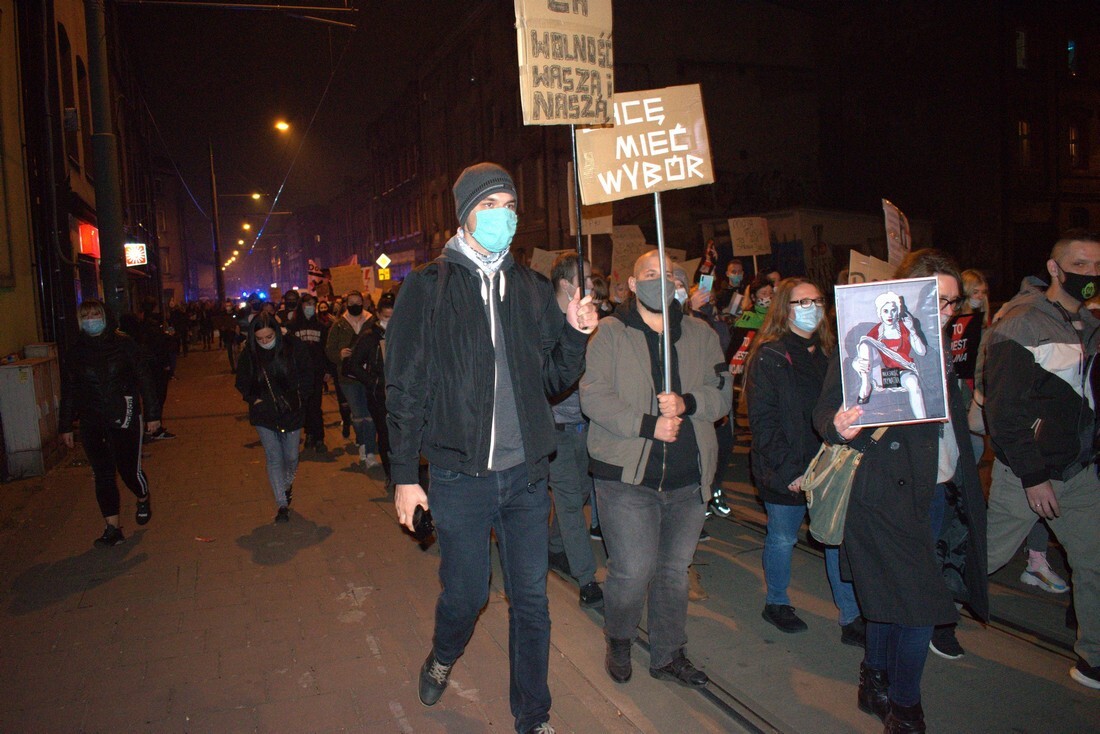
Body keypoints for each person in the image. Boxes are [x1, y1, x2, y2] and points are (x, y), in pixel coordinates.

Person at [387, 162, 595, 734]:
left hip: (527, 477)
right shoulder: (428, 288)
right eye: (491, 204)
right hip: (460, 478)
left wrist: (575, 333)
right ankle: (443, 653)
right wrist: (406, 475)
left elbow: (552, 380)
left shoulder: (530, 290)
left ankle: (533, 717)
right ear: (465, 214)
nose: (505, 214)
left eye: (510, 203)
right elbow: (404, 385)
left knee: (532, 601)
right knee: (467, 594)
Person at [814, 249, 988, 733]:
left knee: (893, 596)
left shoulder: (935, 346)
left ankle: (875, 680)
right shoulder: (860, 338)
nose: (945, 310)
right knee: (922, 604)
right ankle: (905, 708)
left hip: (934, 491)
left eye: (953, 303)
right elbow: (825, 412)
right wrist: (839, 425)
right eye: (936, 298)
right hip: (883, 491)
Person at [580, 249, 732, 689]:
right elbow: (594, 396)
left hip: (687, 480)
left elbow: (722, 390)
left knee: (673, 573)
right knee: (631, 570)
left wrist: (689, 403)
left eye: (667, 274)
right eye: (649, 273)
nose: (658, 280)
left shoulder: (700, 334)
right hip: (627, 478)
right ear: (631, 283)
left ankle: (668, 654)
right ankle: (621, 638)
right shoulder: (609, 333)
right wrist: (648, 425)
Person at [982, 230, 1100, 690]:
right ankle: (929, 612)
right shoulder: (1023, 322)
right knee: (986, 556)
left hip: (1080, 470)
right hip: (1027, 473)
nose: (1090, 274)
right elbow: (1004, 411)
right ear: (1054, 268)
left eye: (1096, 266)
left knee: (1094, 563)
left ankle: (1093, 658)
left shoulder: (1090, 325)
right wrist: (1032, 476)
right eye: (1081, 264)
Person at [744, 278, 864, 645]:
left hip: (829, 465)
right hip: (787, 466)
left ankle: (851, 615)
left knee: (834, 538)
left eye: (816, 300)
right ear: (785, 308)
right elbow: (764, 422)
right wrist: (792, 472)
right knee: (782, 537)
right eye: (800, 302)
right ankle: (776, 601)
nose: (810, 307)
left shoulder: (834, 354)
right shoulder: (771, 355)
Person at [58, 299, 160, 546]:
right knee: (102, 474)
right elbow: (69, 389)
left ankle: (142, 496)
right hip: (92, 420)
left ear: (105, 316)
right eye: (86, 316)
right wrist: (65, 425)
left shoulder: (124, 344)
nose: (91, 319)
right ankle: (112, 528)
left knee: (128, 471)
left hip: (123, 414)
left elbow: (144, 377)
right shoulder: (76, 352)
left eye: (95, 314)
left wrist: (152, 414)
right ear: (80, 321)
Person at [544, 252, 602, 608]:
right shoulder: (545, 322)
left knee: (579, 493)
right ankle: (586, 578)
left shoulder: (589, 321)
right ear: (566, 285)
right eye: (587, 281)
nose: (593, 288)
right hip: (556, 429)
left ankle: (553, 548)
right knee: (568, 501)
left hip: (584, 426)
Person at [235, 313, 315, 523]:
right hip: (264, 414)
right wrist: (254, 400)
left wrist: (300, 398)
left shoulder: (292, 347)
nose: (264, 342)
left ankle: (286, 484)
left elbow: (308, 372)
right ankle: (281, 503)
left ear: (277, 333)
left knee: (291, 457)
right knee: (273, 457)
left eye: (268, 337)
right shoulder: (249, 354)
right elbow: (242, 382)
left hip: (292, 411)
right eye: (260, 339)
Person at [852, 290, 929, 419]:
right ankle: (865, 385)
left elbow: (922, 352)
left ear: (898, 311)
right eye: (885, 311)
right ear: (880, 313)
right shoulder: (877, 331)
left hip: (901, 373)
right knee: (865, 343)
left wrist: (912, 331)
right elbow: (861, 354)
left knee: (912, 383)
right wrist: (856, 364)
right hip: (880, 373)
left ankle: (923, 421)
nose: (890, 315)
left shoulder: (905, 328)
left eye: (893, 310)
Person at [325, 290, 379, 467]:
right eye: (351, 302)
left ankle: (370, 451)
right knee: (358, 414)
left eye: (358, 301)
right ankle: (363, 444)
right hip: (348, 378)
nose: (355, 304)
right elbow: (329, 350)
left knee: (369, 414)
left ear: (363, 302)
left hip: (368, 376)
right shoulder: (340, 324)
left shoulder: (372, 321)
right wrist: (339, 354)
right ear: (346, 304)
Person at [347, 291, 395, 485]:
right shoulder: (369, 337)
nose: (389, 322)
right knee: (385, 434)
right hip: (379, 396)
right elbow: (352, 365)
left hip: (401, 394)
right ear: (378, 315)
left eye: (393, 317)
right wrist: (372, 382)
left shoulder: (403, 333)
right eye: (386, 317)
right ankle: (391, 474)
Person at [287, 293, 328, 455]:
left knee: (315, 406)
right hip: (299, 374)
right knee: (303, 405)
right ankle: (309, 434)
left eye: (312, 304)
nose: (310, 307)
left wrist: (327, 371)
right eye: (307, 304)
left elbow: (325, 351)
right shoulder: (292, 327)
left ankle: (319, 438)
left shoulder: (321, 327)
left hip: (316, 372)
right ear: (301, 306)